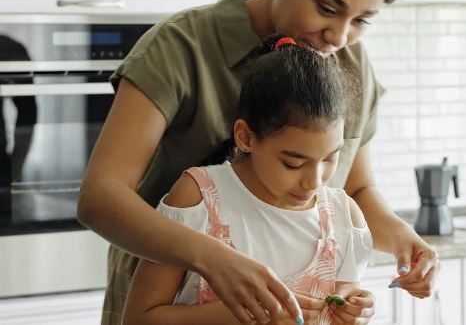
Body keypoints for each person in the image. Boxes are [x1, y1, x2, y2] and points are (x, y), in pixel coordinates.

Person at [78, 0, 440, 325]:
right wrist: (214, 258)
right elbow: (101, 198)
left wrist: (403, 239)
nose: (340, 36)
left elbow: (355, 191)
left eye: (361, 20)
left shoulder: (350, 66)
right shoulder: (181, 46)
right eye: (327, 7)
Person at [122, 35, 374, 325]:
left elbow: (344, 298)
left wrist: (355, 309)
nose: (314, 182)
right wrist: (237, 316)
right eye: (294, 163)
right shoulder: (198, 199)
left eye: (330, 158)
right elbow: (137, 319)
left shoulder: (343, 217)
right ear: (245, 137)